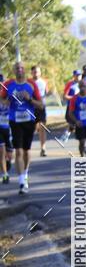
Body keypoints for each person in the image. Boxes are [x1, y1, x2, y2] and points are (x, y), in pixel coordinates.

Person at [0, 62, 43, 194]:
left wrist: (29, 99)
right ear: (14, 71)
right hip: (15, 121)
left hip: (29, 120)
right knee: (18, 151)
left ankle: (25, 173)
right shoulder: (8, 84)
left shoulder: (31, 84)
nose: (19, 70)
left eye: (21, 68)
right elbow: (2, 99)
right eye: (17, 68)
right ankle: (22, 182)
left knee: (26, 150)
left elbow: (40, 105)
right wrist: (8, 101)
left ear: (24, 70)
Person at [67, 82, 86, 157]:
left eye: (84, 86)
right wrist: (76, 121)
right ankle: (82, 156)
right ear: (79, 87)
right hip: (80, 124)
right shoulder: (74, 98)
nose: (82, 88)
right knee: (82, 141)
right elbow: (70, 112)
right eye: (81, 87)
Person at [31, 65, 48, 156]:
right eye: (34, 72)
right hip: (31, 109)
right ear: (31, 73)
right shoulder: (29, 83)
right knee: (30, 129)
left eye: (37, 72)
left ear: (40, 72)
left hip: (41, 108)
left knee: (42, 128)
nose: (36, 73)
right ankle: (26, 148)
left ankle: (43, 148)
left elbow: (45, 93)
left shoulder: (43, 82)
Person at [62, 69, 81, 142]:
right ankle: (66, 135)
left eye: (79, 75)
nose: (78, 77)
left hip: (80, 107)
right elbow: (64, 96)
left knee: (78, 123)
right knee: (72, 124)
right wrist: (74, 98)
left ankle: (81, 138)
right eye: (77, 75)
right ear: (74, 76)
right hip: (71, 107)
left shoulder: (83, 84)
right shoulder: (70, 84)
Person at [0, 75, 12, 183]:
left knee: (9, 154)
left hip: (9, 127)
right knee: (1, 150)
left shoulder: (10, 95)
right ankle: (5, 174)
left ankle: (7, 162)